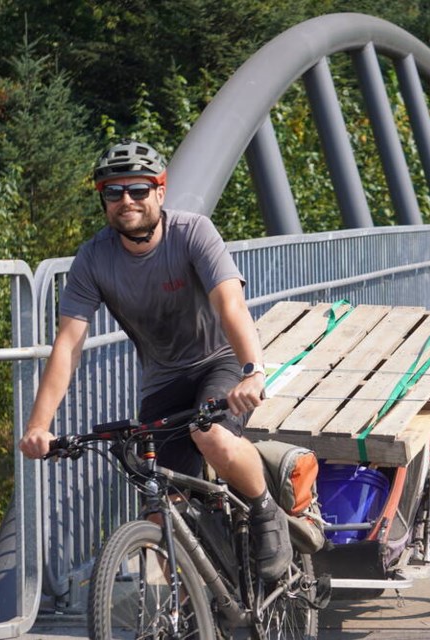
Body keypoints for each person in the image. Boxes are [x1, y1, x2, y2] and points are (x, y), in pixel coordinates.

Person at [18, 139, 292, 581]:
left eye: (138, 190)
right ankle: (190, 611)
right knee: (164, 515)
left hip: (218, 362)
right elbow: (67, 344)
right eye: (114, 191)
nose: (126, 200)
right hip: (162, 384)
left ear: (159, 192)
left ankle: (265, 512)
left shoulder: (192, 233)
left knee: (212, 438)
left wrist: (252, 371)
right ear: (103, 199)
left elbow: (231, 306)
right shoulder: (94, 259)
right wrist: (38, 426)